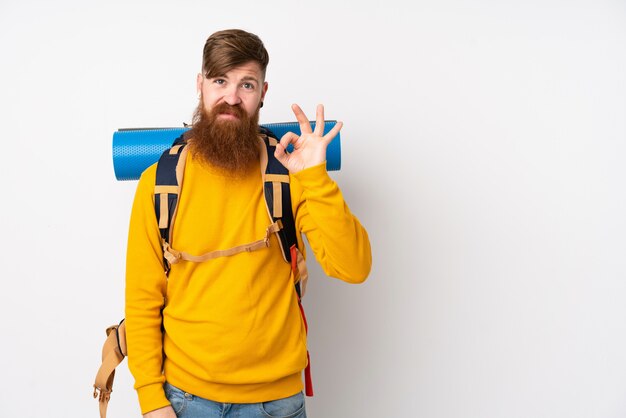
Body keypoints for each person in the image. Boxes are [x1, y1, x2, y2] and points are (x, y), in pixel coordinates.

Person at [125, 28, 372, 418]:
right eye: (220, 81)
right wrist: (151, 400)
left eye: (247, 84)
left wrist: (316, 178)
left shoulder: (290, 176)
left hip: (276, 403)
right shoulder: (158, 183)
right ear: (200, 84)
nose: (232, 97)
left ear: (263, 93)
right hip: (184, 398)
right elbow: (142, 301)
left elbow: (354, 267)